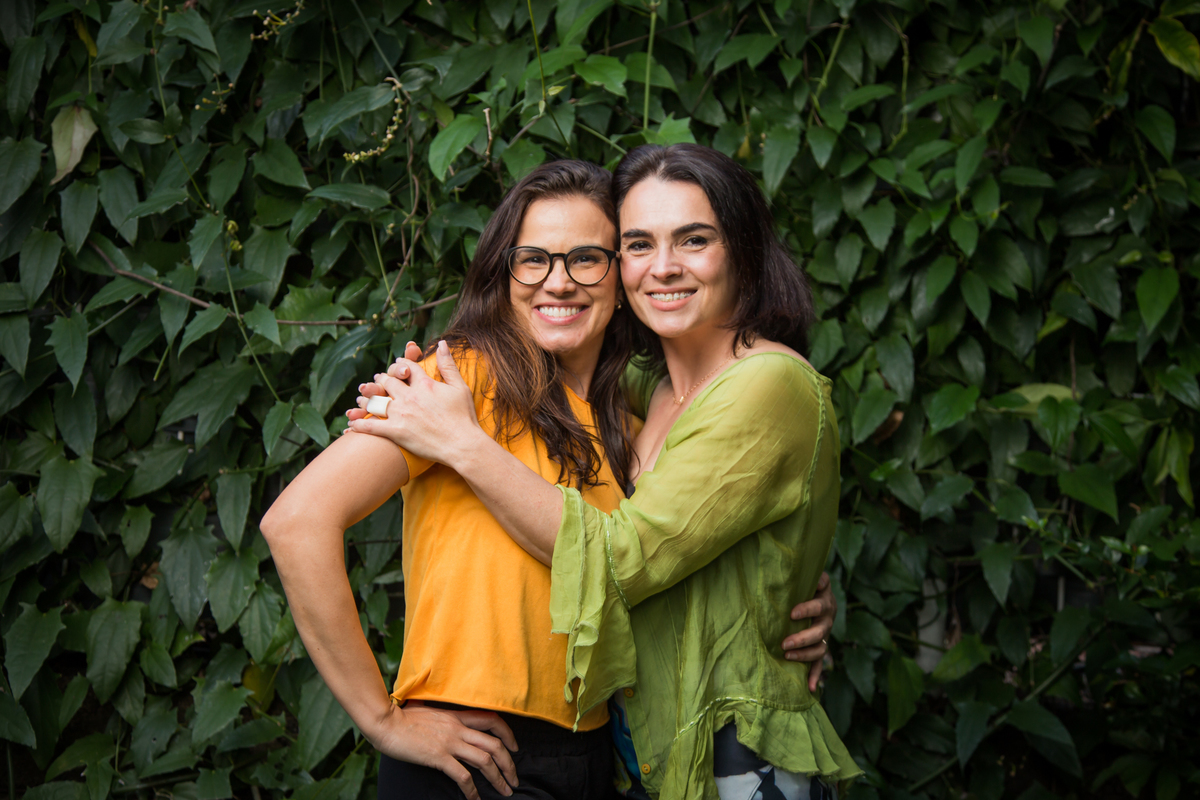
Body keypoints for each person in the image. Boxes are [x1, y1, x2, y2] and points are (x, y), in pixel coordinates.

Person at [262, 158, 836, 800]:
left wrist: (780, 595)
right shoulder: (455, 385)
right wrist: (381, 721)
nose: (557, 282)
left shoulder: (633, 416)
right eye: (533, 259)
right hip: (473, 751)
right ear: (502, 273)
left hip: (598, 756)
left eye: (587, 258)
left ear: (618, 276)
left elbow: (662, 552)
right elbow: (296, 522)